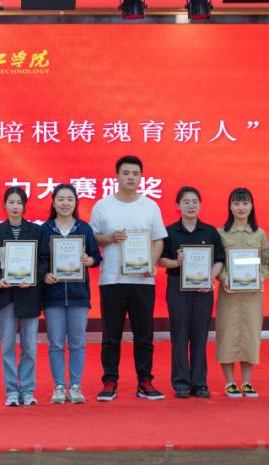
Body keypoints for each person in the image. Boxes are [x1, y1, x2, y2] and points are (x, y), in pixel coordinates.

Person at [89, 155, 167, 402]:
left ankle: (145, 382)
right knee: (111, 335)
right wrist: (110, 238)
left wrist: (151, 263)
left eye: (135, 173)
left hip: (142, 281)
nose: (131, 177)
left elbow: (158, 240)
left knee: (144, 335)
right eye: (126, 173)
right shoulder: (103, 205)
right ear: (117, 176)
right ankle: (109, 381)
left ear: (141, 177)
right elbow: (92, 238)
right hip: (112, 280)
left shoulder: (150, 206)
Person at [158, 186, 224, 399]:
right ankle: (181, 383)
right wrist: (176, 262)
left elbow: (219, 259)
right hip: (177, 288)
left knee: (200, 336)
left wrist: (210, 278)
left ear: (200, 205)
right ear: (178, 205)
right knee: (179, 335)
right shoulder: (169, 231)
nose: (191, 205)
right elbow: (160, 260)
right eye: (186, 201)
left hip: (203, 289)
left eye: (195, 201)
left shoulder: (210, 231)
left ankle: (199, 383)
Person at [0, 186, 45, 406]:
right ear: (4, 205)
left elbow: (44, 260)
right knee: (7, 345)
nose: (15, 206)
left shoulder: (36, 231)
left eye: (19, 202)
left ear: (24, 206)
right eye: (11, 202)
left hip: (30, 295)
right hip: (6, 296)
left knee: (30, 347)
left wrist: (34, 277)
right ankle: (11, 391)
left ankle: (27, 390)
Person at [39, 183, 101, 405]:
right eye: (61, 199)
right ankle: (59, 386)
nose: (65, 203)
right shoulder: (44, 229)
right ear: (53, 202)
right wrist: (44, 274)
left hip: (78, 295)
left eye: (70, 199)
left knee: (77, 342)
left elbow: (97, 256)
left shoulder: (84, 228)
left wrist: (89, 260)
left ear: (76, 203)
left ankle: (75, 386)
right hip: (52, 295)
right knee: (55, 343)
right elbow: (39, 260)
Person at [215, 188, 269, 398]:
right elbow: (217, 262)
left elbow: (266, 262)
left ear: (252, 206)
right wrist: (224, 278)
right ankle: (230, 382)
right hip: (228, 294)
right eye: (236, 203)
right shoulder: (221, 233)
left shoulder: (259, 234)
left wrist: (260, 277)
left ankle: (247, 382)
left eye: (245, 203)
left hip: (252, 296)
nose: (241, 207)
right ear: (230, 207)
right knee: (227, 335)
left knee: (250, 335)